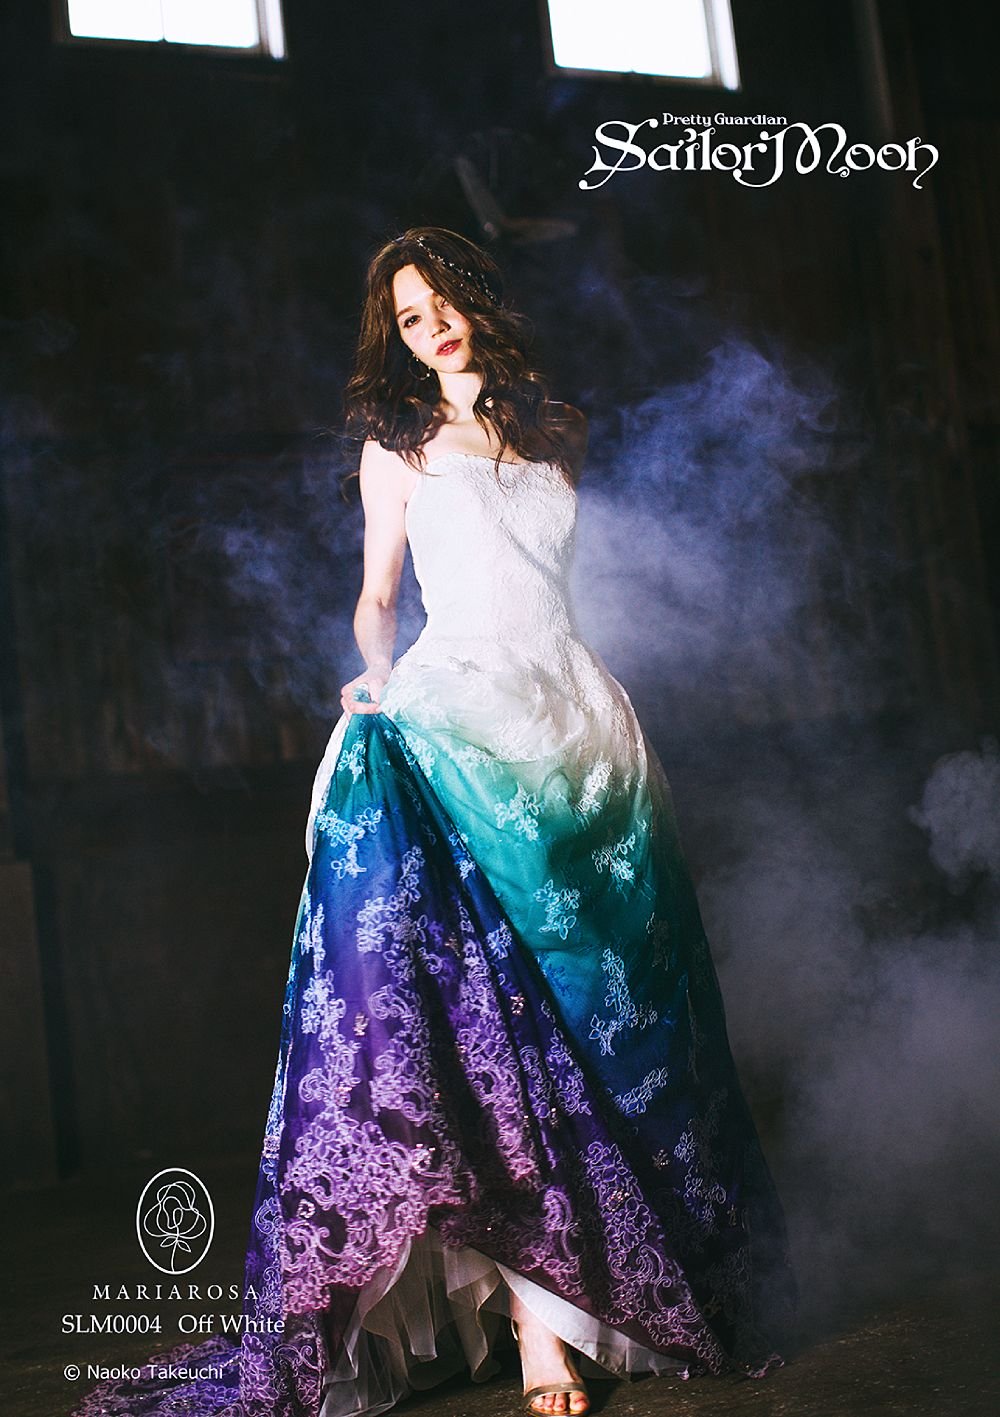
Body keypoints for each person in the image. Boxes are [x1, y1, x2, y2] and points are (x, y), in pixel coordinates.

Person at [70, 228, 796, 1417]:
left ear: (478, 299)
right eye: (409, 318)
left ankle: (604, 1291)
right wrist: (375, 674)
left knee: (598, 1018)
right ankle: (538, 1332)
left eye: (444, 301)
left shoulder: (555, 426)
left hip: (575, 720)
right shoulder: (397, 444)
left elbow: (563, 586)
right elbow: (376, 596)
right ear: (397, 337)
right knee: (483, 1026)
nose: (433, 327)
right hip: (456, 717)